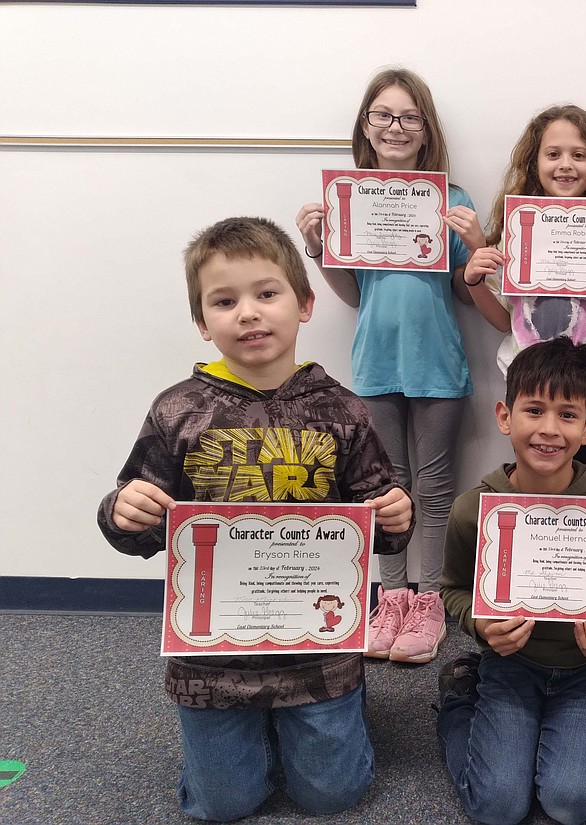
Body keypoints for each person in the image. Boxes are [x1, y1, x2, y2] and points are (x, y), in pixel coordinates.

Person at [96, 216, 414, 822]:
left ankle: (304, 731)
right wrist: (122, 509)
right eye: (224, 300)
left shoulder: (343, 409)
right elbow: (133, 524)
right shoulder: (178, 410)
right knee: (223, 805)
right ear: (201, 321)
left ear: (305, 304)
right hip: (213, 659)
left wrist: (397, 511)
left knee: (333, 797)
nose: (248, 313)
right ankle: (253, 742)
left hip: (317, 651)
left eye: (266, 294)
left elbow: (385, 519)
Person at [296, 68, 485, 665]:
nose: (396, 127)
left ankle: (428, 599)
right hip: (374, 366)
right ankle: (391, 594)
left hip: (438, 367)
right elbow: (353, 295)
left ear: (427, 130)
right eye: (383, 115)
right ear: (366, 127)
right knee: (382, 488)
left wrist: (476, 240)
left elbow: (467, 289)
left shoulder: (452, 201)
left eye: (409, 117)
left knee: (432, 490)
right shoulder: (349, 200)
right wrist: (319, 247)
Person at [436, 337, 586, 825]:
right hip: (510, 662)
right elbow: (451, 589)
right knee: (497, 808)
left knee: (571, 804)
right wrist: (482, 628)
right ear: (505, 417)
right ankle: (459, 704)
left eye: (568, 415)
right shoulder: (474, 509)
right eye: (534, 410)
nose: (549, 430)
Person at [461, 104, 586, 470]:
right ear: (534, 163)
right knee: (533, 481)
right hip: (528, 384)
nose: (565, 164)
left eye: (579, 155)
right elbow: (505, 321)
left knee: (585, 479)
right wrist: (474, 282)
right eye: (553, 154)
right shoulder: (515, 233)